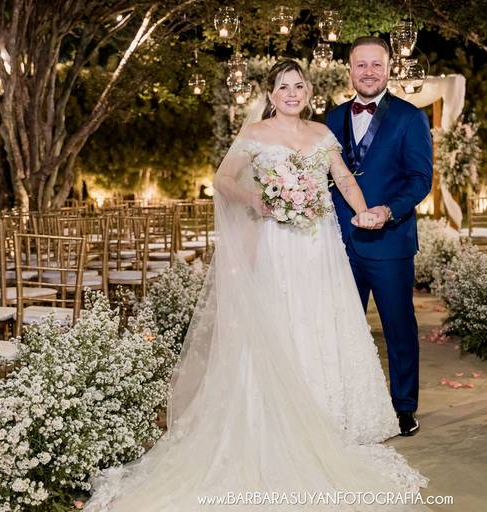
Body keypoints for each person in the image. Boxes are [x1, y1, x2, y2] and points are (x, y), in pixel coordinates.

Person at [83, 59, 428, 511]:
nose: (292, 93)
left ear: (309, 92)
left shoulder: (322, 133)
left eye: (299, 86)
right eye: (283, 87)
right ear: (270, 95)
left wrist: (364, 211)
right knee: (281, 323)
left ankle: (331, 418)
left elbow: (343, 179)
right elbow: (223, 180)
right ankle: (279, 418)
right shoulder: (256, 135)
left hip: (320, 247)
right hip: (276, 245)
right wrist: (257, 199)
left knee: (322, 321)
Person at [326, 37, 433, 436]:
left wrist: (388, 211)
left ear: (389, 69)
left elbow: (420, 179)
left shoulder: (410, 117)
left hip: (390, 242)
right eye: (361, 65)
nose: (368, 72)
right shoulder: (332, 119)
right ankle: (347, 405)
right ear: (349, 70)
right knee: (341, 330)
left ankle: (404, 406)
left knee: (398, 328)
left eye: (376, 64)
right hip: (339, 244)